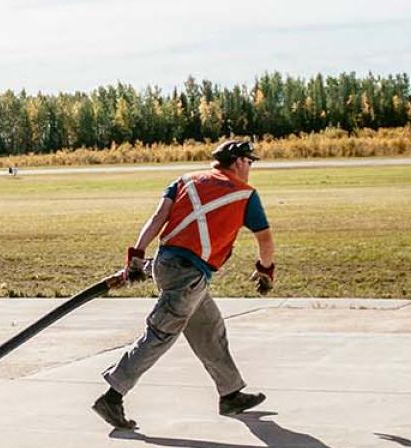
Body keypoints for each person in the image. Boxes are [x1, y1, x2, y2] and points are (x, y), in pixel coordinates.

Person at [92, 139, 276, 430]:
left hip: (168, 265)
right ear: (239, 162)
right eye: (249, 162)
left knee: (209, 329)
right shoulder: (245, 194)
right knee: (160, 334)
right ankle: (112, 396)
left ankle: (230, 394)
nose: (250, 168)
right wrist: (266, 270)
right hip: (188, 276)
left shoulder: (184, 181)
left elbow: (157, 219)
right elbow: (264, 238)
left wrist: (137, 257)